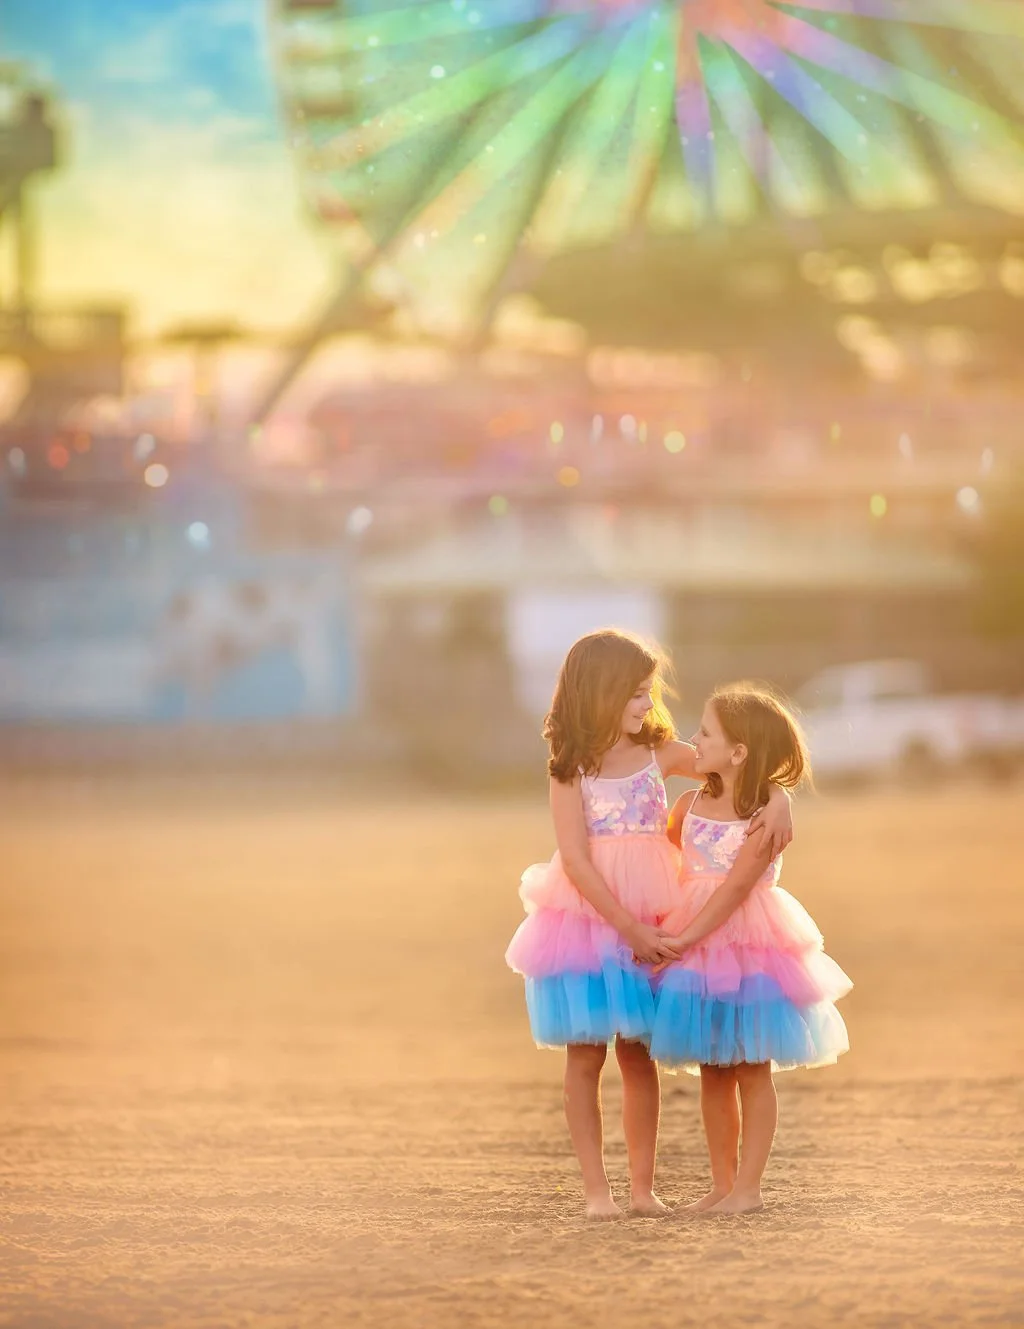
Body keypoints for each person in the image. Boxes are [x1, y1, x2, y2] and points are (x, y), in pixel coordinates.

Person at [505, 632, 795, 1221]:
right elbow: (578, 859)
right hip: (589, 918)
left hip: (655, 912)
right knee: (584, 1058)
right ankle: (597, 1192)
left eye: (649, 692)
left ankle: (641, 1190)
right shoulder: (570, 768)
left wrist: (781, 796)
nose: (649, 704)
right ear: (603, 693)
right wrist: (625, 927)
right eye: (638, 693)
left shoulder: (661, 753)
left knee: (638, 1056)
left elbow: (737, 766)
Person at [650, 683, 852, 1216]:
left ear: (738, 752)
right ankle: (721, 1184)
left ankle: (749, 1188)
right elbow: (675, 862)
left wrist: (687, 937)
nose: (695, 738)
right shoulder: (689, 803)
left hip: (749, 946)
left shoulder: (764, 814)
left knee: (750, 1068)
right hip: (697, 949)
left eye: (707, 732)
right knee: (713, 1069)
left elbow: (737, 887)